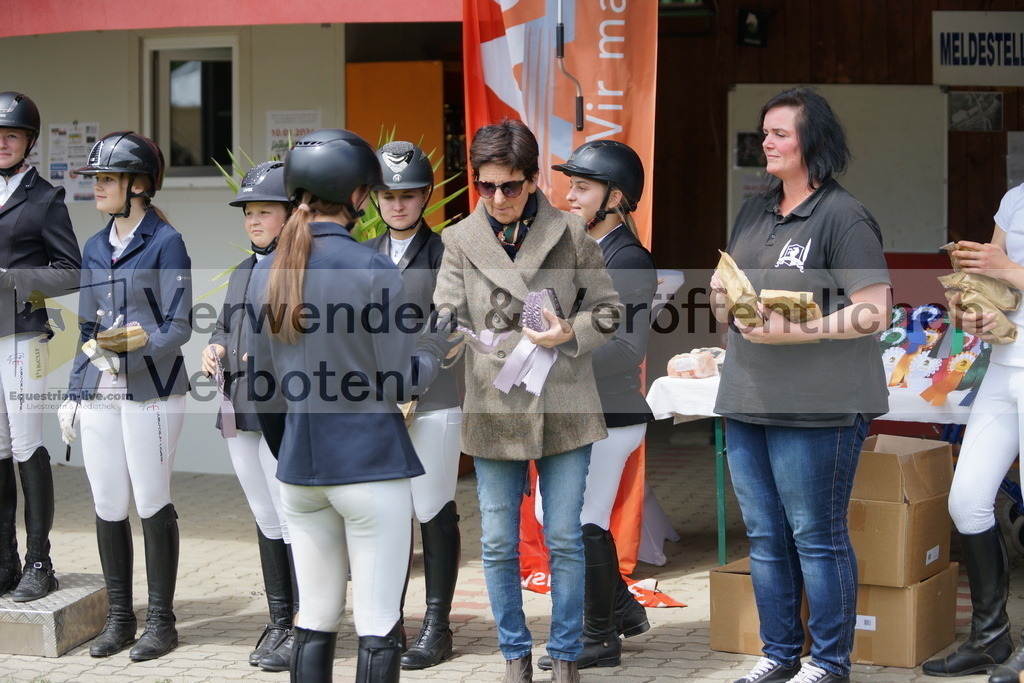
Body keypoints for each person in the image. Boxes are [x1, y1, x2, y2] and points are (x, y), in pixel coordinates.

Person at [247, 128, 461, 682]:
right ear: (358, 196)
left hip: (300, 473)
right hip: (370, 469)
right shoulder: (374, 270)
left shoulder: (270, 269)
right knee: (376, 621)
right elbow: (398, 383)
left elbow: (261, 387)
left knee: (314, 618)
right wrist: (434, 347)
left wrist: (290, 453)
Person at [710, 88, 891, 683]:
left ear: (812, 143)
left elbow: (875, 311)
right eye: (764, 132)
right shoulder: (755, 209)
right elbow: (724, 282)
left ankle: (830, 663)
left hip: (820, 407)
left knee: (816, 536)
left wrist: (799, 330)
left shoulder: (843, 215)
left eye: (780, 133)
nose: (766, 141)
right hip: (748, 397)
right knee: (764, 536)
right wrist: (722, 300)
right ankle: (779, 654)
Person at [433, 119, 622, 683]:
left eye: (510, 186)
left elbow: (610, 310)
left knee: (563, 536)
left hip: (564, 400)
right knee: (496, 541)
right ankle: (514, 653)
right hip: (494, 403)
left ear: (533, 180)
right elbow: (444, 314)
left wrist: (571, 331)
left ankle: (564, 653)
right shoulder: (458, 239)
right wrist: (445, 337)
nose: (497, 198)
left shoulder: (570, 231)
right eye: (486, 186)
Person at [59, 131, 192, 661]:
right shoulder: (94, 246)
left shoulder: (167, 242)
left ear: (140, 185)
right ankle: (120, 617)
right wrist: (73, 390)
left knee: (151, 499)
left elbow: (178, 326)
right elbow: (88, 327)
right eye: (97, 179)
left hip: (151, 391)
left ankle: (162, 622)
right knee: (108, 502)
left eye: (107, 179)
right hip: (98, 393)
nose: (98, 188)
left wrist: (125, 358)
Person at [533, 139, 657, 671]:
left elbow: (628, 348)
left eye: (582, 187)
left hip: (611, 413)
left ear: (617, 198)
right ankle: (622, 608)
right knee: (560, 514)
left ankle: (600, 636)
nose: (569, 195)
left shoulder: (629, 260)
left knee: (580, 519)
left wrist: (557, 350)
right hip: (578, 410)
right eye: (570, 184)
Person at [366, 141, 463, 670]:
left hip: (434, 396)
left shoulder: (445, 252)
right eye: (387, 194)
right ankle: (389, 620)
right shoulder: (364, 254)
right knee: (389, 512)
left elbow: (447, 323)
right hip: (379, 401)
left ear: (425, 195)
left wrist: (414, 380)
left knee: (432, 508)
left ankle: (437, 625)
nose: (397, 204)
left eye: (407, 195)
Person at [920, 190, 1024, 682]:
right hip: (1004, 367)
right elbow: (993, 284)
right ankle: (990, 637)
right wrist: (970, 309)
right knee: (966, 501)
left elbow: (1004, 268)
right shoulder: (1015, 198)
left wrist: (1004, 267)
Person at [201, 161, 298, 672]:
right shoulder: (243, 271)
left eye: (264, 211)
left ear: (289, 214)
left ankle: (303, 623)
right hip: (237, 407)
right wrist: (213, 348)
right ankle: (279, 619)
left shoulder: (297, 268)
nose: (254, 221)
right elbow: (222, 327)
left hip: (279, 411)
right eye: (248, 213)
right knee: (264, 517)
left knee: (289, 515)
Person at [0, 91, 81, 602]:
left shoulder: (46, 198)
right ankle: (4, 558)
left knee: (27, 446)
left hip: (23, 334)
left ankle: (39, 560)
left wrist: (10, 278)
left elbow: (71, 269)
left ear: (28, 141)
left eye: (10, 136)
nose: (2, 144)